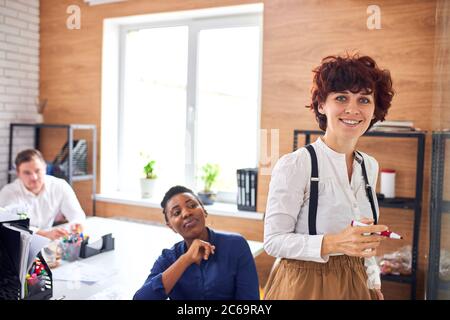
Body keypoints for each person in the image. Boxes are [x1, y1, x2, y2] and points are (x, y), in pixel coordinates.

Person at [263, 53, 395, 300]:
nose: (353, 109)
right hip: (305, 283)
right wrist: (333, 244)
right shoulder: (296, 164)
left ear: (375, 108)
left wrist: (373, 281)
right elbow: (273, 241)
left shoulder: (370, 166)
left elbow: (362, 239)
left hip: (357, 283)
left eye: (364, 99)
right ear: (322, 105)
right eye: (341, 98)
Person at [133, 185, 259, 300]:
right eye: (177, 213)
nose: (187, 213)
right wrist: (186, 259)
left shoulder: (236, 245)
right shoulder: (168, 259)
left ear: (204, 210)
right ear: (170, 226)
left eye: (192, 205)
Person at [0, 149, 85, 240]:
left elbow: (77, 216)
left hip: (49, 241)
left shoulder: (60, 186)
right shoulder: (8, 192)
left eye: (37, 171)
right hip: (20, 242)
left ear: (45, 168)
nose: (34, 177)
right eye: (27, 173)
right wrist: (44, 234)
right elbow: (10, 226)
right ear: (18, 174)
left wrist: (76, 226)